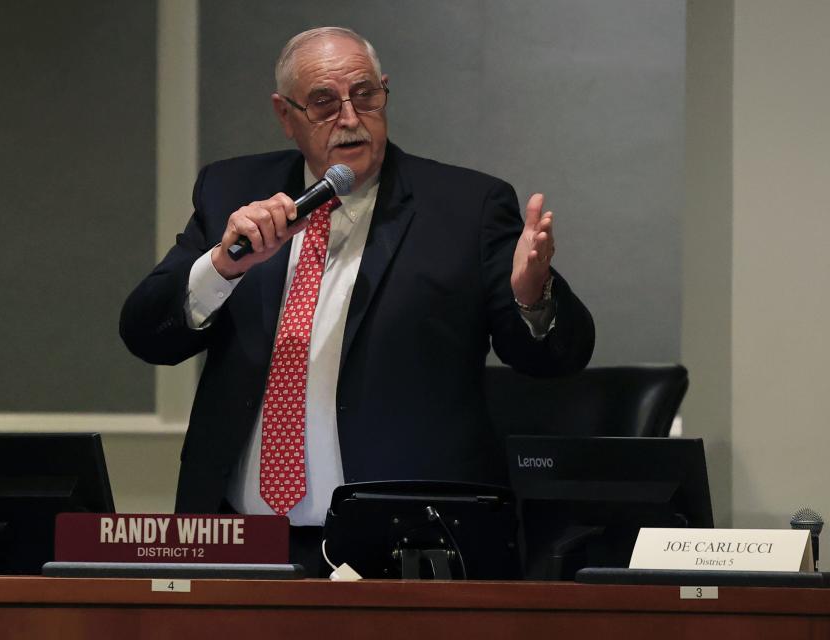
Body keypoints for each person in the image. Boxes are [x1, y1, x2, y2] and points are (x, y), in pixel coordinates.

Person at [120, 26, 594, 575]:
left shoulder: (465, 207)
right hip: (242, 547)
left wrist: (530, 295)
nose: (349, 117)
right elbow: (145, 332)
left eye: (365, 94)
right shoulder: (232, 191)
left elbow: (557, 358)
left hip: (402, 548)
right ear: (285, 113)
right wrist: (222, 267)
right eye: (323, 101)